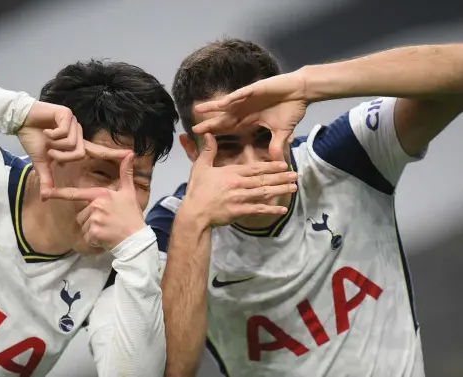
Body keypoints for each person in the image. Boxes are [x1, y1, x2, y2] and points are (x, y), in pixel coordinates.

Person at [0, 61, 295, 377]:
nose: (122, 200)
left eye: (140, 181)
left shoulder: (123, 265)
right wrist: (15, 113)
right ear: (52, 154)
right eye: (103, 173)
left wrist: (138, 254)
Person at [148, 39, 463, 377]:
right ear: (191, 150)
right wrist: (194, 223)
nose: (252, 163)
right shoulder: (172, 228)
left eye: (262, 136)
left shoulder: (347, 157)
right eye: (226, 147)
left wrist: (307, 84)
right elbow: (173, 371)